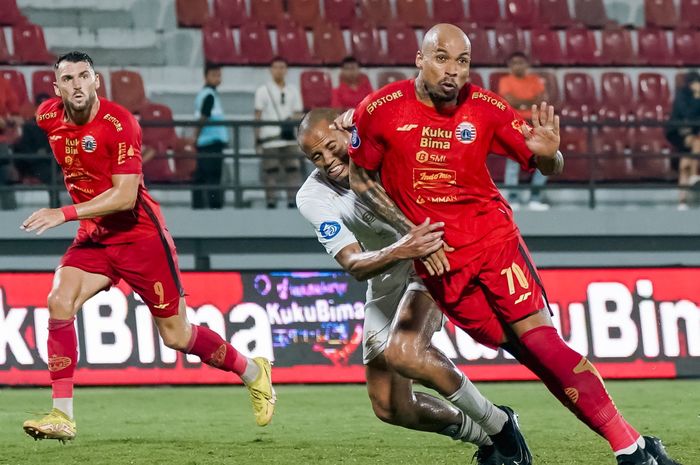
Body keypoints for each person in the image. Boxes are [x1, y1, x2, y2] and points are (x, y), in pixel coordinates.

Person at [347, 24, 681, 465]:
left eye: (462, 61)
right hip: (441, 265)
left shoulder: (485, 107)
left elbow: (550, 163)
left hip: (493, 242)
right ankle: (640, 447)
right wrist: (409, 232)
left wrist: (547, 154)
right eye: (442, 58)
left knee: (542, 343)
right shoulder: (380, 109)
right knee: (524, 350)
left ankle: (630, 449)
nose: (452, 71)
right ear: (419, 59)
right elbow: (360, 178)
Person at [20, 51, 275, 443]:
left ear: (96, 81)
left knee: (176, 336)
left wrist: (64, 212)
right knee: (59, 301)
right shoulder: (48, 117)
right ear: (56, 89)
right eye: (67, 79)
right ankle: (62, 415)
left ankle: (253, 371)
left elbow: (125, 197)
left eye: (83, 76)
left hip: (140, 238)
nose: (76, 85)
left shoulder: (120, 123)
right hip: (95, 238)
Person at [296, 108, 532, 465]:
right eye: (316, 156)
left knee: (406, 352)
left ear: (348, 132)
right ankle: (490, 433)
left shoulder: (387, 147)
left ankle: (501, 432)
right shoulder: (312, 197)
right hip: (388, 271)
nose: (328, 161)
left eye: (332, 147)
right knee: (390, 406)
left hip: (435, 257)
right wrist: (402, 247)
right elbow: (352, 263)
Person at [497, 52, 549, 210]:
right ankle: (513, 198)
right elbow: (509, 101)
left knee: (544, 159)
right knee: (513, 161)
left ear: (527, 65)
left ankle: (535, 197)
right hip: (515, 124)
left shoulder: (535, 80)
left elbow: (542, 99)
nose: (518, 66)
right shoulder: (505, 81)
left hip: (537, 123)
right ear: (510, 66)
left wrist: (521, 104)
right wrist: (531, 103)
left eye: (521, 62)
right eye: (515, 63)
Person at [254, 57, 304, 209]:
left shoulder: (293, 90)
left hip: (289, 138)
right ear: (271, 70)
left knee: (293, 170)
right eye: (276, 67)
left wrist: (290, 119)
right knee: (270, 171)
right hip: (269, 138)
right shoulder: (263, 91)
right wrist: (257, 140)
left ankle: (292, 200)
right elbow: (257, 116)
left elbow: (298, 113)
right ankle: (271, 201)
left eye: (282, 67)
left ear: (286, 70)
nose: (279, 70)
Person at [193, 63, 229, 209]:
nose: (217, 78)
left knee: (202, 177)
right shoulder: (209, 95)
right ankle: (215, 208)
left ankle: (199, 207)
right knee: (213, 178)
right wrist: (195, 135)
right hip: (210, 143)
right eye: (214, 75)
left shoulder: (207, 94)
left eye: (219, 75)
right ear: (206, 77)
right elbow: (204, 116)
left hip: (205, 143)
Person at [665, 71, 700, 210]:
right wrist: (697, 98)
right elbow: (687, 114)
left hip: (693, 132)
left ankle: (682, 201)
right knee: (697, 143)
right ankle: (693, 175)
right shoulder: (682, 96)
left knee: (684, 164)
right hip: (678, 132)